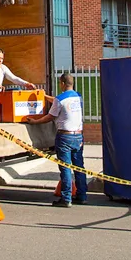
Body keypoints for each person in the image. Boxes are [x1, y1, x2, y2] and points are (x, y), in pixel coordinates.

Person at [26, 72, 86, 207]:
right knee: (79, 167)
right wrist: (43, 96)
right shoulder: (78, 97)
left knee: (65, 168)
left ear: (62, 84)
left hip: (65, 136)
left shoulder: (60, 99)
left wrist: (35, 122)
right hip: (78, 136)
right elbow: (57, 102)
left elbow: (50, 116)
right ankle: (82, 195)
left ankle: (66, 198)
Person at [0, 48, 35, 114]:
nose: (0, 61)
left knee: (17, 90)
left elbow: (13, 78)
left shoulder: (3, 67)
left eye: (2, 58)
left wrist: (26, 84)